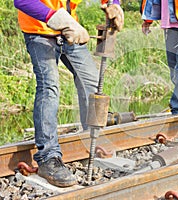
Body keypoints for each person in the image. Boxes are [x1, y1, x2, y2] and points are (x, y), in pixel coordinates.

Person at [13, 0, 124, 187]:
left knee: (91, 82)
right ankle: (48, 157)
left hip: (70, 28)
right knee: (49, 88)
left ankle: (92, 140)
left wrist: (114, 4)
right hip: (39, 31)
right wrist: (55, 17)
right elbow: (22, 1)